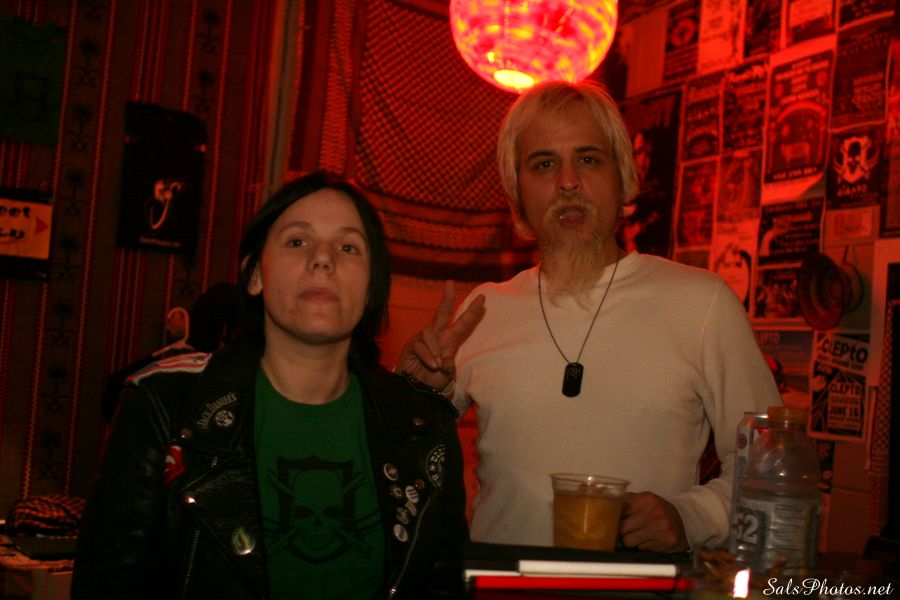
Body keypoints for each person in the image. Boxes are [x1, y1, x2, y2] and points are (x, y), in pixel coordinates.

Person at [397, 80, 781, 553]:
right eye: (544, 164)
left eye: (589, 159)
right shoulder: (484, 309)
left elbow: (772, 463)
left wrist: (691, 516)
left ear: (623, 179)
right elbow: (402, 463)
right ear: (518, 197)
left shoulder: (701, 303)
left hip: (638, 585)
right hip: (498, 582)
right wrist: (415, 391)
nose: (567, 182)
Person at [73, 172, 468, 599]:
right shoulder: (165, 405)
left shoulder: (424, 428)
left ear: (372, 288)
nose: (323, 259)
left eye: (348, 247)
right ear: (254, 274)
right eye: (297, 241)